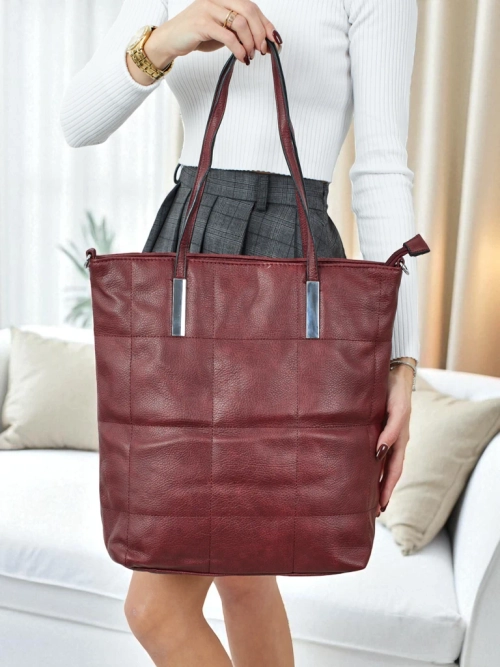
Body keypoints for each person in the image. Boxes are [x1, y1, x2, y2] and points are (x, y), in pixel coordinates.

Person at [60, 1, 419, 664]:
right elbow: (77, 121)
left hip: (293, 257)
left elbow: (381, 169)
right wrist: (166, 39)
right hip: (187, 248)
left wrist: (402, 360)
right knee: (241, 577)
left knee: (169, 600)